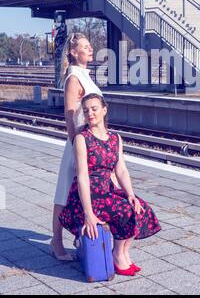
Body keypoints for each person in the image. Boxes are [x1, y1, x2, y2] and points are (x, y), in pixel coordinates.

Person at [59, 93, 161, 276]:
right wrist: (88, 213)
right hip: (88, 194)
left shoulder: (115, 138)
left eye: (94, 108)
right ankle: (117, 255)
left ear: (104, 110)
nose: (90, 113)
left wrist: (130, 194)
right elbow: (81, 176)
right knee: (124, 212)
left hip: (107, 189)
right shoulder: (82, 139)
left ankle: (122, 252)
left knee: (140, 208)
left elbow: (121, 169)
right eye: (86, 110)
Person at [50, 33, 103, 261]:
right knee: (64, 191)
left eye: (90, 46)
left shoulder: (84, 75)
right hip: (79, 142)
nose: (90, 49)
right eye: (85, 47)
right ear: (73, 52)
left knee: (88, 191)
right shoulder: (73, 78)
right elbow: (70, 116)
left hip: (92, 140)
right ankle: (57, 241)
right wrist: (75, 146)